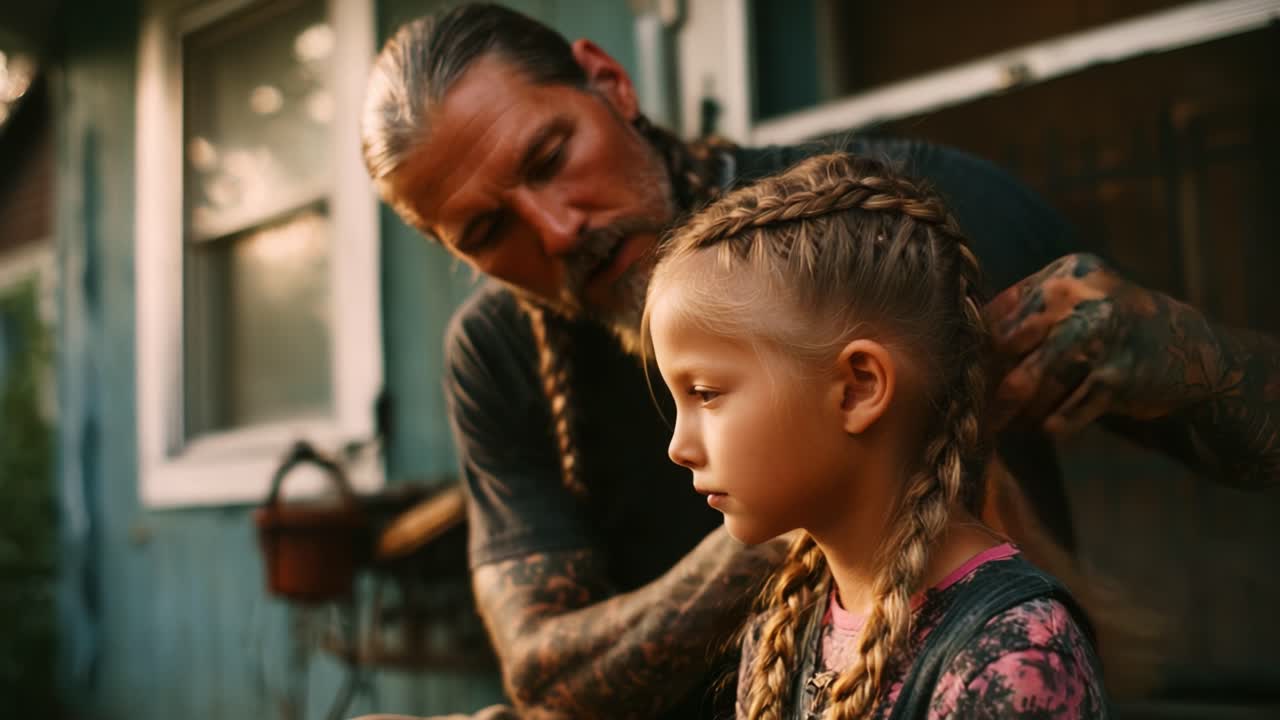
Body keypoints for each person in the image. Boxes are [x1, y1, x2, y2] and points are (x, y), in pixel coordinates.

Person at [358, 4, 1280, 717]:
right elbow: (551, 678)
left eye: (552, 155)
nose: (557, 229)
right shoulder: (495, 354)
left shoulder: (892, 224)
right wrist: (822, 492)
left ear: (609, 81)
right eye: (487, 230)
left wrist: (1183, 356)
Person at [645, 151, 1108, 719]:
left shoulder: (1012, 655)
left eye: (707, 395)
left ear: (858, 387)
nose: (677, 447)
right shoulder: (783, 636)